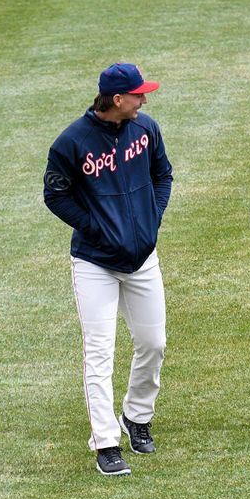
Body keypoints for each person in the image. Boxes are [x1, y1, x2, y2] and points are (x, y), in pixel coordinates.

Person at [43, 63, 173, 477]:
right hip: (94, 263)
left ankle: (136, 417)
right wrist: (97, 227)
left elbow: (163, 175)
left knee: (153, 343)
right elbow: (55, 195)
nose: (145, 99)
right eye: (139, 94)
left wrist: (151, 220)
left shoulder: (146, 129)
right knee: (99, 353)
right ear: (118, 100)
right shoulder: (71, 142)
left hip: (142, 258)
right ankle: (105, 442)